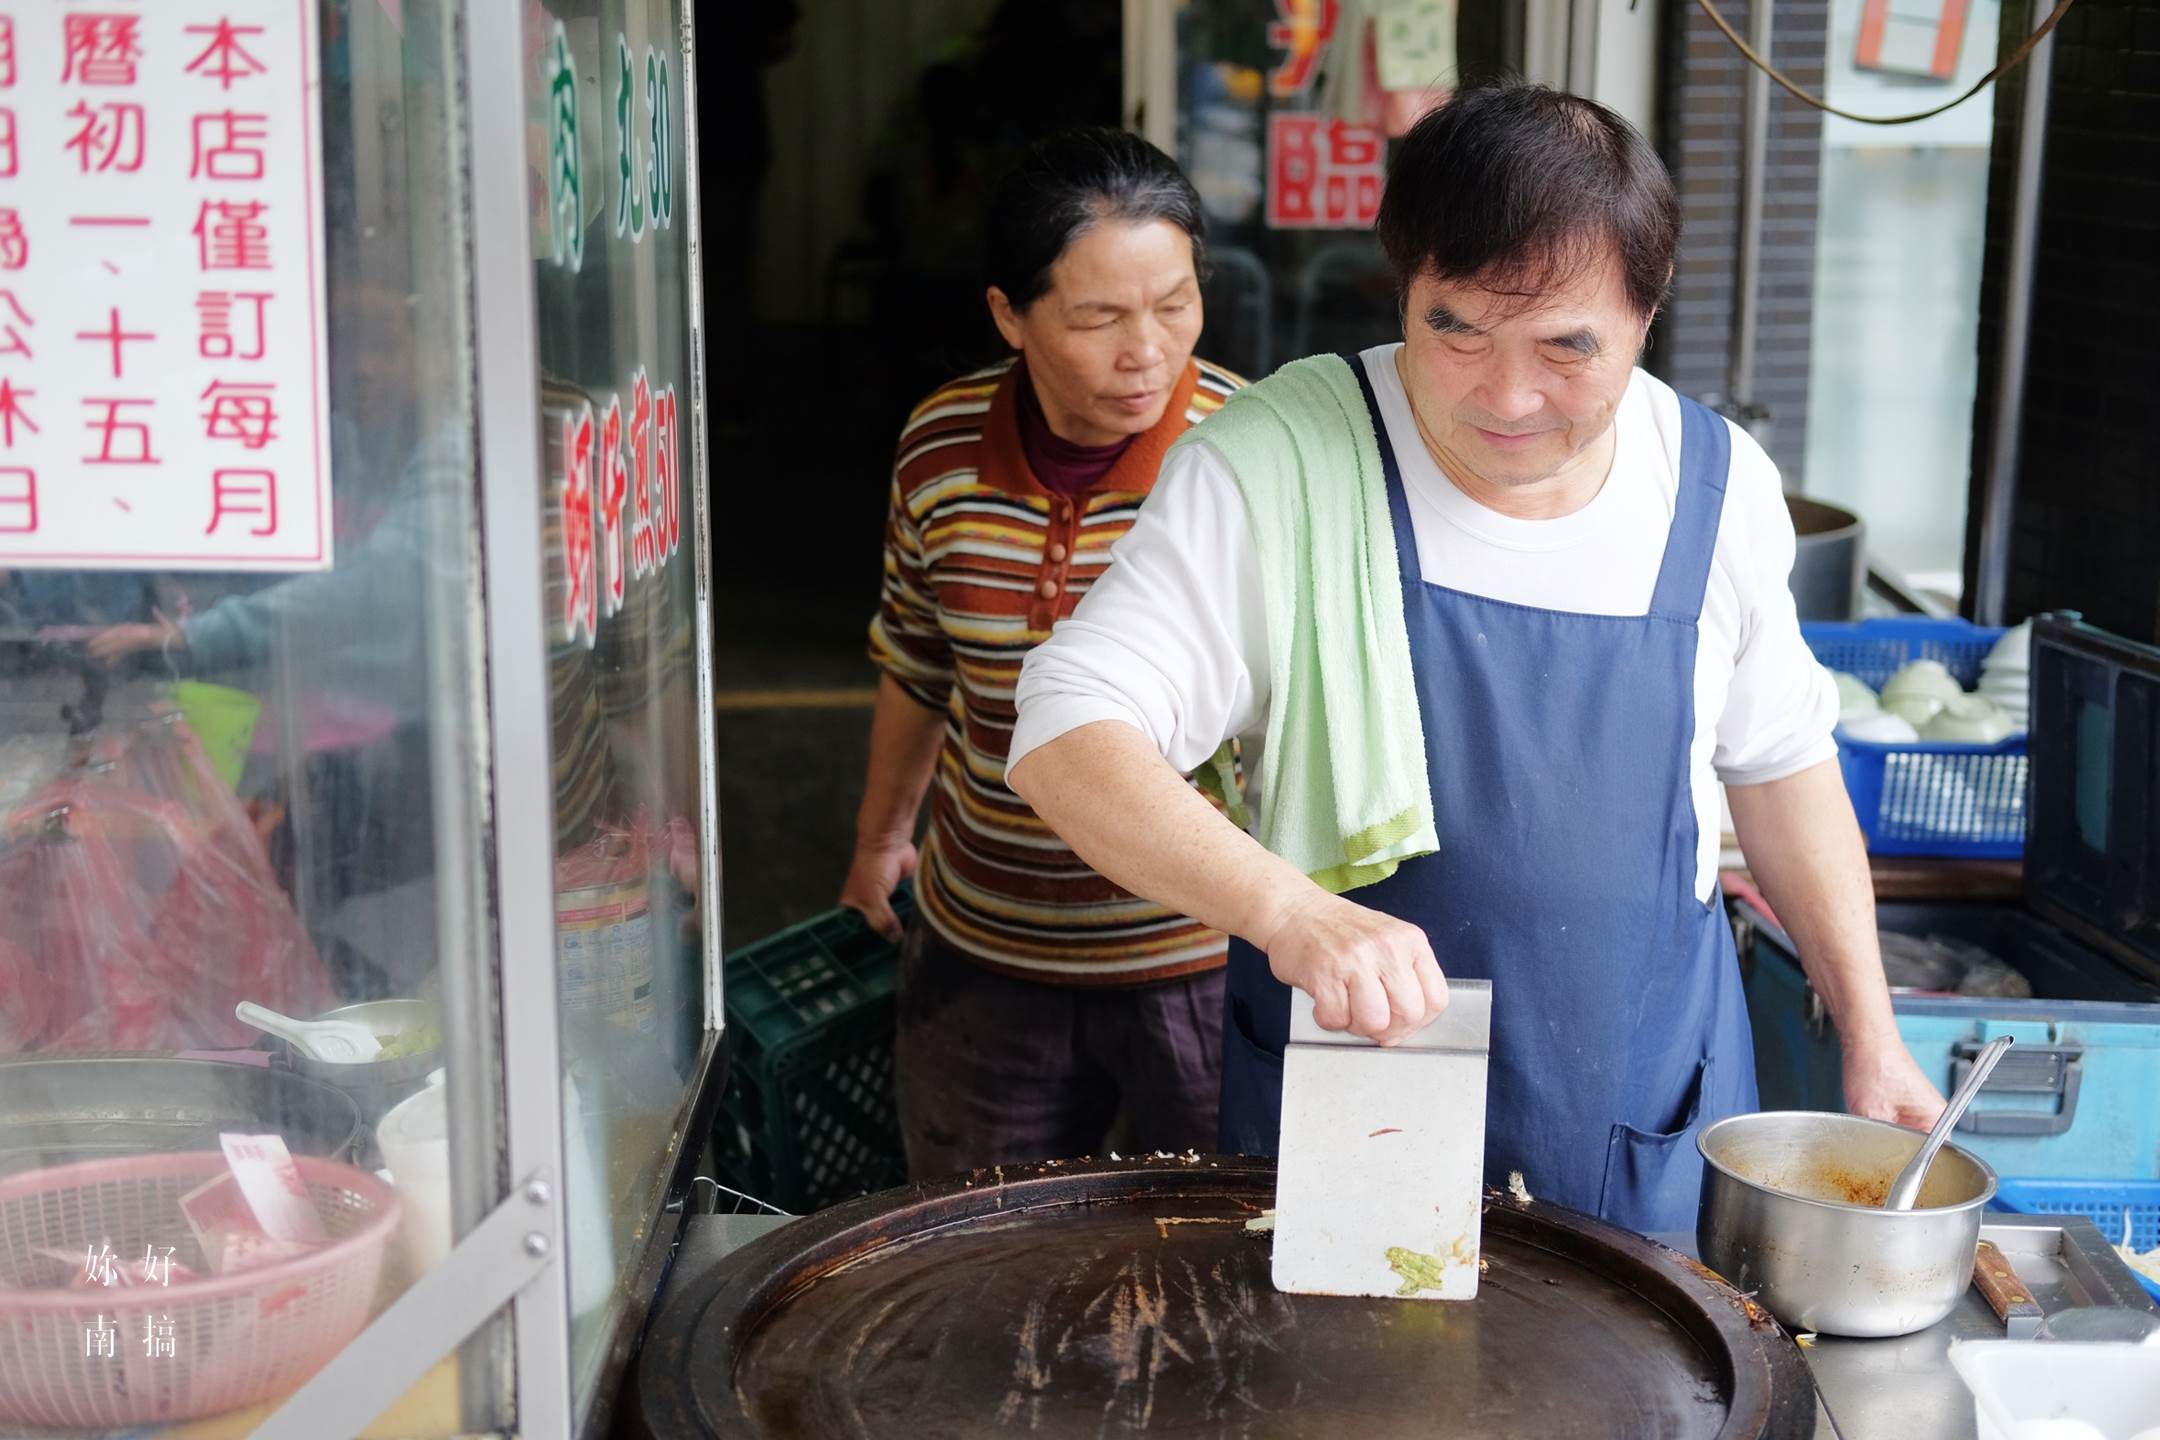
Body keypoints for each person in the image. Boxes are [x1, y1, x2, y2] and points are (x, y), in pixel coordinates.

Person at [1005, 85, 1945, 1234]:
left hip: (1637, 1118)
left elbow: (1782, 769)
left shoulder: (1716, 484)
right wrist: (1289, 912)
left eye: (1567, 347)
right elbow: (1066, 728)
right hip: (1363, 1116)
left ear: (1647, 318)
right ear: (1403, 285)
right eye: (1453, 327)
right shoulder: (1280, 463)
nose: (1507, 396)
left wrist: (1873, 1032)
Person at [841, 127, 1245, 1178]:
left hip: (1198, 961)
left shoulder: (1249, 456)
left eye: (1174, 304)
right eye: (1099, 317)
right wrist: (881, 839)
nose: (1146, 351)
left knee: (1216, 1283)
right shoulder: (939, 445)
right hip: (986, 955)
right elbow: (919, 660)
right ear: (1009, 316)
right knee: (983, 1282)